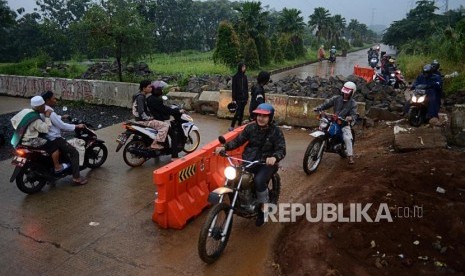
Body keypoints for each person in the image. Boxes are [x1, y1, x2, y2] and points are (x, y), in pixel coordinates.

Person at [216, 103, 286, 226]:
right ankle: (240, 202)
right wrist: (225, 147)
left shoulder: (276, 132)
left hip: (266, 163)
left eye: (264, 116)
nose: (261, 118)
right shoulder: (250, 128)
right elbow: (238, 141)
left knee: (259, 181)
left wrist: (274, 157)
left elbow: (281, 149)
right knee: (235, 177)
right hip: (250, 160)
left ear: (270, 117)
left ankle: (263, 209)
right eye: (259, 115)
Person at [41, 91, 88, 185]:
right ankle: (76, 178)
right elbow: (62, 126)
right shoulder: (50, 112)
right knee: (74, 152)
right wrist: (76, 126)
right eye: (54, 98)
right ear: (47, 100)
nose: (55, 100)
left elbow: (54, 119)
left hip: (46, 137)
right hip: (54, 138)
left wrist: (61, 116)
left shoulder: (42, 109)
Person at [10, 96, 65, 173]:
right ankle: (57, 166)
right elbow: (45, 129)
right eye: (43, 106)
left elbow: (13, 120)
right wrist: (47, 117)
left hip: (19, 138)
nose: (44, 108)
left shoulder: (25, 111)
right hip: (30, 140)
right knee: (54, 147)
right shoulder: (36, 119)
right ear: (39, 107)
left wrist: (22, 130)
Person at [313, 81, 358, 165]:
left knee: (347, 138)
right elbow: (326, 104)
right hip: (334, 120)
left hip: (344, 122)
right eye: (344, 92)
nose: (345, 94)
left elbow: (354, 114)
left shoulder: (353, 103)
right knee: (324, 127)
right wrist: (318, 108)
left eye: (348, 92)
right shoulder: (336, 98)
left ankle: (350, 156)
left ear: (352, 92)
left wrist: (350, 118)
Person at [147, 82, 183, 160]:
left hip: (152, 119)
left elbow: (162, 108)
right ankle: (174, 156)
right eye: (160, 89)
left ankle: (162, 149)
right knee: (174, 136)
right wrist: (177, 111)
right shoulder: (157, 100)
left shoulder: (149, 98)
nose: (162, 91)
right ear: (157, 91)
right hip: (159, 121)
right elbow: (165, 110)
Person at [132, 80, 169, 150]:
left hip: (137, 119)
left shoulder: (137, 95)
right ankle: (155, 144)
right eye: (149, 87)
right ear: (144, 88)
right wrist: (148, 118)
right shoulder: (141, 97)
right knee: (165, 125)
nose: (151, 89)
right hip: (142, 120)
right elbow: (141, 111)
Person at [229, 62, 248, 131]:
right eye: (243, 67)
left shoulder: (245, 77)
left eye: (245, 67)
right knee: (237, 112)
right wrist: (233, 99)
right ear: (240, 68)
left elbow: (246, 88)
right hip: (237, 98)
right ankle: (232, 126)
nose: (244, 68)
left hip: (244, 98)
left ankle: (239, 125)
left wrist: (247, 97)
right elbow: (234, 88)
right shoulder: (235, 77)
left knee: (242, 113)